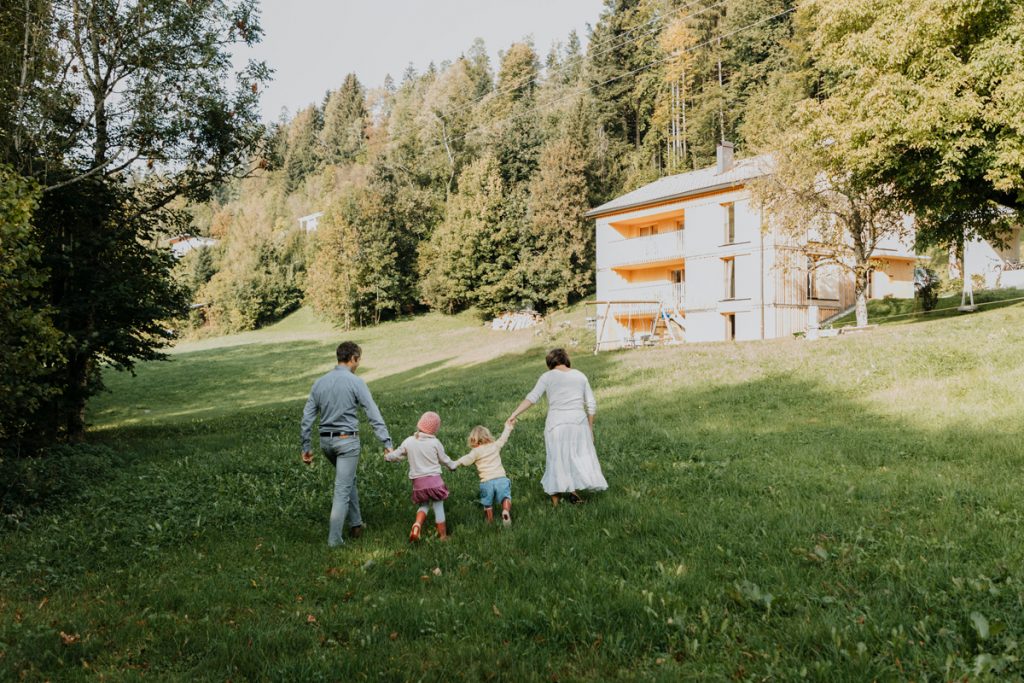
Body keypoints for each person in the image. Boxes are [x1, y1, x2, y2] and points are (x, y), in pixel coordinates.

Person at [300, 341, 392, 547]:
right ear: (354, 359)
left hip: (326, 443)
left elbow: (307, 418)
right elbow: (372, 412)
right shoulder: (355, 382)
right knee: (342, 488)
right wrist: (386, 441)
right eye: (358, 360)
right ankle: (334, 541)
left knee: (347, 479)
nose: (358, 364)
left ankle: (356, 525)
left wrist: (306, 447)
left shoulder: (319, 382)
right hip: (346, 442)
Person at [507, 348, 607, 506]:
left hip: (556, 424)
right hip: (578, 424)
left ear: (550, 363)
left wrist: (514, 414)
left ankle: (556, 502)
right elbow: (591, 404)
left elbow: (532, 397)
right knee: (575, 457)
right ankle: (574, 493)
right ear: (566, 360)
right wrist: (590, 428)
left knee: (556, 459)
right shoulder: (580, 376)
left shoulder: (547, 376)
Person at [384, 411, 457, 542]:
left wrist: (387, 456)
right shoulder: (435, 442)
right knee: (438, 506)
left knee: (424, 505)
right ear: (435, 429)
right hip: (435, 483)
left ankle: (417, 525)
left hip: (419, 485)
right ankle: (443, 536)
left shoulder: (409, 441)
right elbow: (444, 459)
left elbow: (396, 455)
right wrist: (452, 466)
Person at [451, 421, 516, 526]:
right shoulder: (495, 446)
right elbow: (503, 438)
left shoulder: (475, 452)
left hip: (486, 482)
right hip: (501, 479)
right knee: (505, 497)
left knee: (487, 503)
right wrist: (508, 427)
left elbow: (467, 459)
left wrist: (456, 463)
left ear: (473, 439)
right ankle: (505, 511)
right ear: (487, 436)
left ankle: (489, 521)